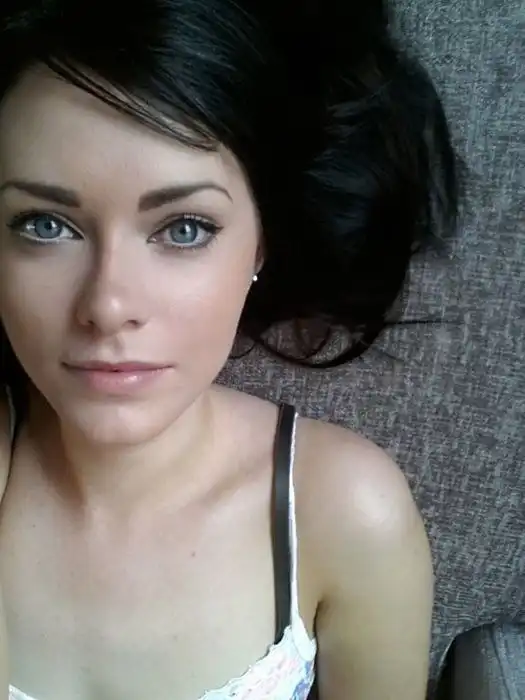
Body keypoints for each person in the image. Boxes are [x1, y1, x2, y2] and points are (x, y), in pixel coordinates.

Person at [0, 1, 458, 699]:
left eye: (183, 228)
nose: (107, 305)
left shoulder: (346, 515)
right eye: (44, 224)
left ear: (263, 242)